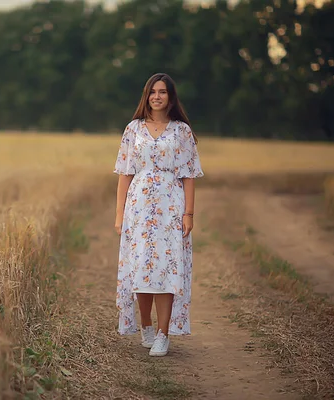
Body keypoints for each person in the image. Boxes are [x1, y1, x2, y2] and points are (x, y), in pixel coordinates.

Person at [113, 73, 204, 357]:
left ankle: (164, 334)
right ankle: (146, 326)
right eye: (152, 92)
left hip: (170, 206)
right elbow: (124, 174)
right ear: (146, 96)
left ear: (170, 97)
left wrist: (188, 214)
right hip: (138, 207)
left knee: (167, 270)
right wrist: (120, 215)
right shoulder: (133, 129)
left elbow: (189, 175)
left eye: (162, 92)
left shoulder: (182, 131)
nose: (157, 96)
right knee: (141, 267)